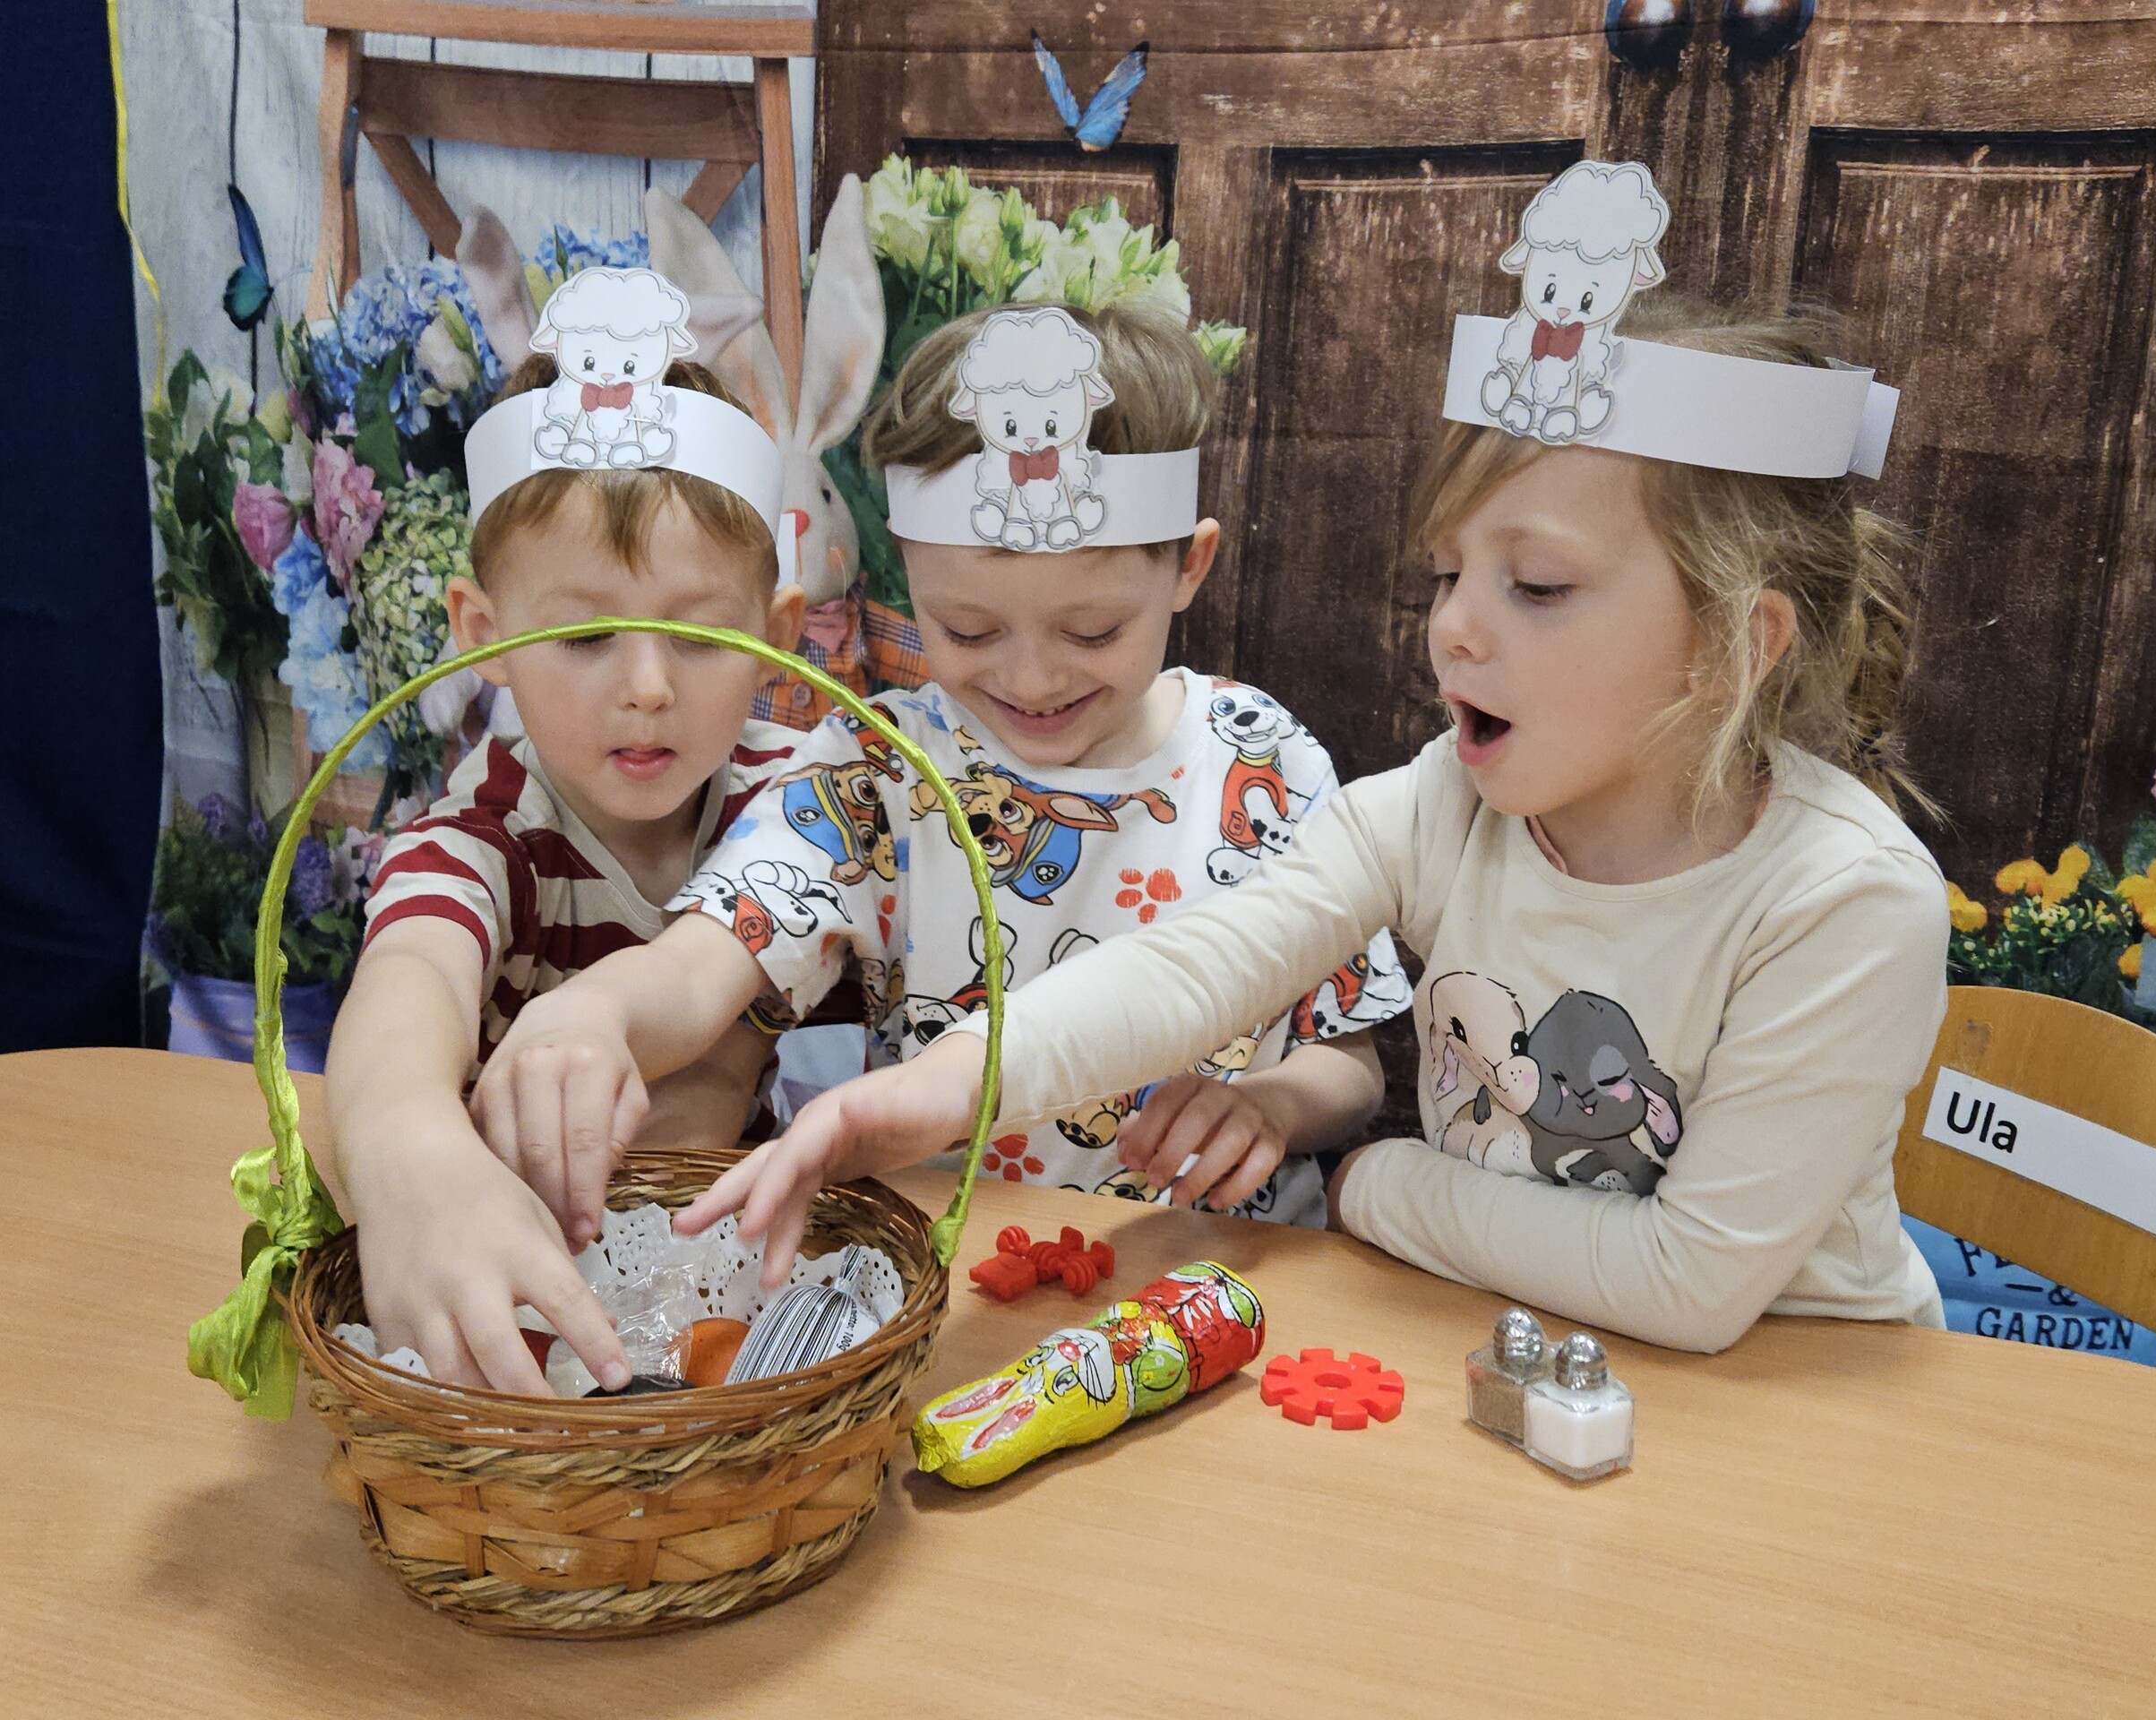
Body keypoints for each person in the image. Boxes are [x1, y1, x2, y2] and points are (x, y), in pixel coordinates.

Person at [692, 257, 1954, 1348]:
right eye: (1450, 573)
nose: (1453, 628)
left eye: (1536, 587)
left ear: (1731, 645)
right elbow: (1193, 971)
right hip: (1510, 1339)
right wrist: (931, 1091)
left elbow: (1689, 1283)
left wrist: (1375, 1184)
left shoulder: (1844, 899)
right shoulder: (1440, 805)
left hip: (1798, 1397)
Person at [471, 298, 1411, 1271]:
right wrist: (597, 1011)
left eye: (1092, 632)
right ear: (907, 569)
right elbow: (708, 959)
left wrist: (1270, 1106)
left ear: (1188, 565)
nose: (1032, 679)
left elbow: (1350, 1065)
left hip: (1220, 1278)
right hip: (960, 1272)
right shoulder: (877, 769)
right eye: (968, 631)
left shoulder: (1263, 761)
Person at [327, 267, 807, 1394]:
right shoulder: (486, 838)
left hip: (741, 1292)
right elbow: (411, 979)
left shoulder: (798, 806)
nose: (647, 688)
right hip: (525, 1278)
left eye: (701, 638)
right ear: (482, 633)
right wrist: (403, 1143)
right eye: (586, 639)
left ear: (780, 636)